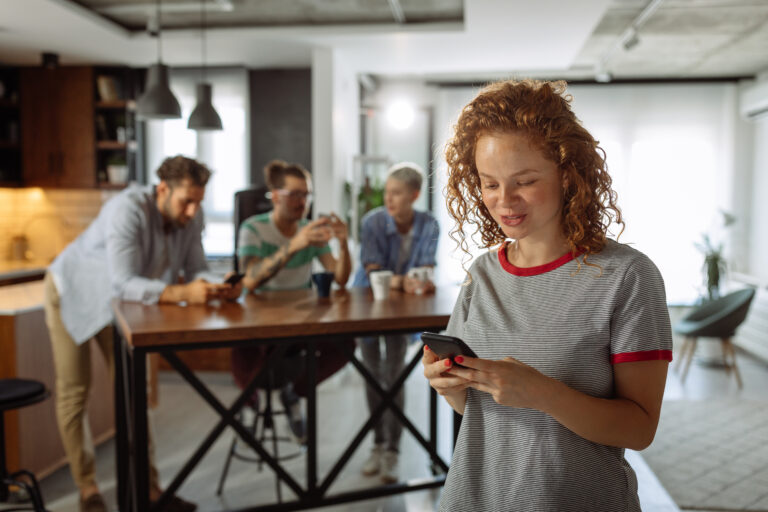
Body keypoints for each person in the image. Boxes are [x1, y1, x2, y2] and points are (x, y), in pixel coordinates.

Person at [422, 79, 673, 511]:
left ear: (567, 174)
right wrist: (447, 384)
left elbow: (640, 429)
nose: (505, 201)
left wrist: (544, 393)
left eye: (525, 181)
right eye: (490, 183)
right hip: (474, 499)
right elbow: (477, 410)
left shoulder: (627, 276)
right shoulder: (481, 273)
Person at [44, 155, 241, 512]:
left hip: (122, 304)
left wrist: (220, 285)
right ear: (162, 189)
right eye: (187, 201)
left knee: (135, 393)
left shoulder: (191, 216)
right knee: (75, 391)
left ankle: (150, 492)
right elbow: (122, 280)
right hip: (73, 291)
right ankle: (87, 488)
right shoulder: (127, 209)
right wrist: (181, 294)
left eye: (199, 201)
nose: (193, 210)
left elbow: (197, 269)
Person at [234, 159, 353, 443]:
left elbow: (340, 278)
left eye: (307, 194)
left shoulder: (310, 230)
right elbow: (249, 279)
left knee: (345, 345)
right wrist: (294, 245)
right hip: (258, 319)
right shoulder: (253, 228)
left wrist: (344, 243)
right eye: (295, 194)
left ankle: (295, 394)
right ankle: (249, 405)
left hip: (300, 319)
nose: (303, 201)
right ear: (275, 195)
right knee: (241, 353)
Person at [352, 162, 439, 483]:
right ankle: (378, 445)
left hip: (402, 312)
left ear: (414, 195)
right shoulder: (372, 222)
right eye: (387, 193)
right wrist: (406, 281)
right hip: (367, 307)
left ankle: (393, 451)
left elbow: (425, 270)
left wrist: (416, 282)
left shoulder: (429, 224)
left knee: (394, 376)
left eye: (396, 193)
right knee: (373, 377)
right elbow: (374, 270)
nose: (388, 199)